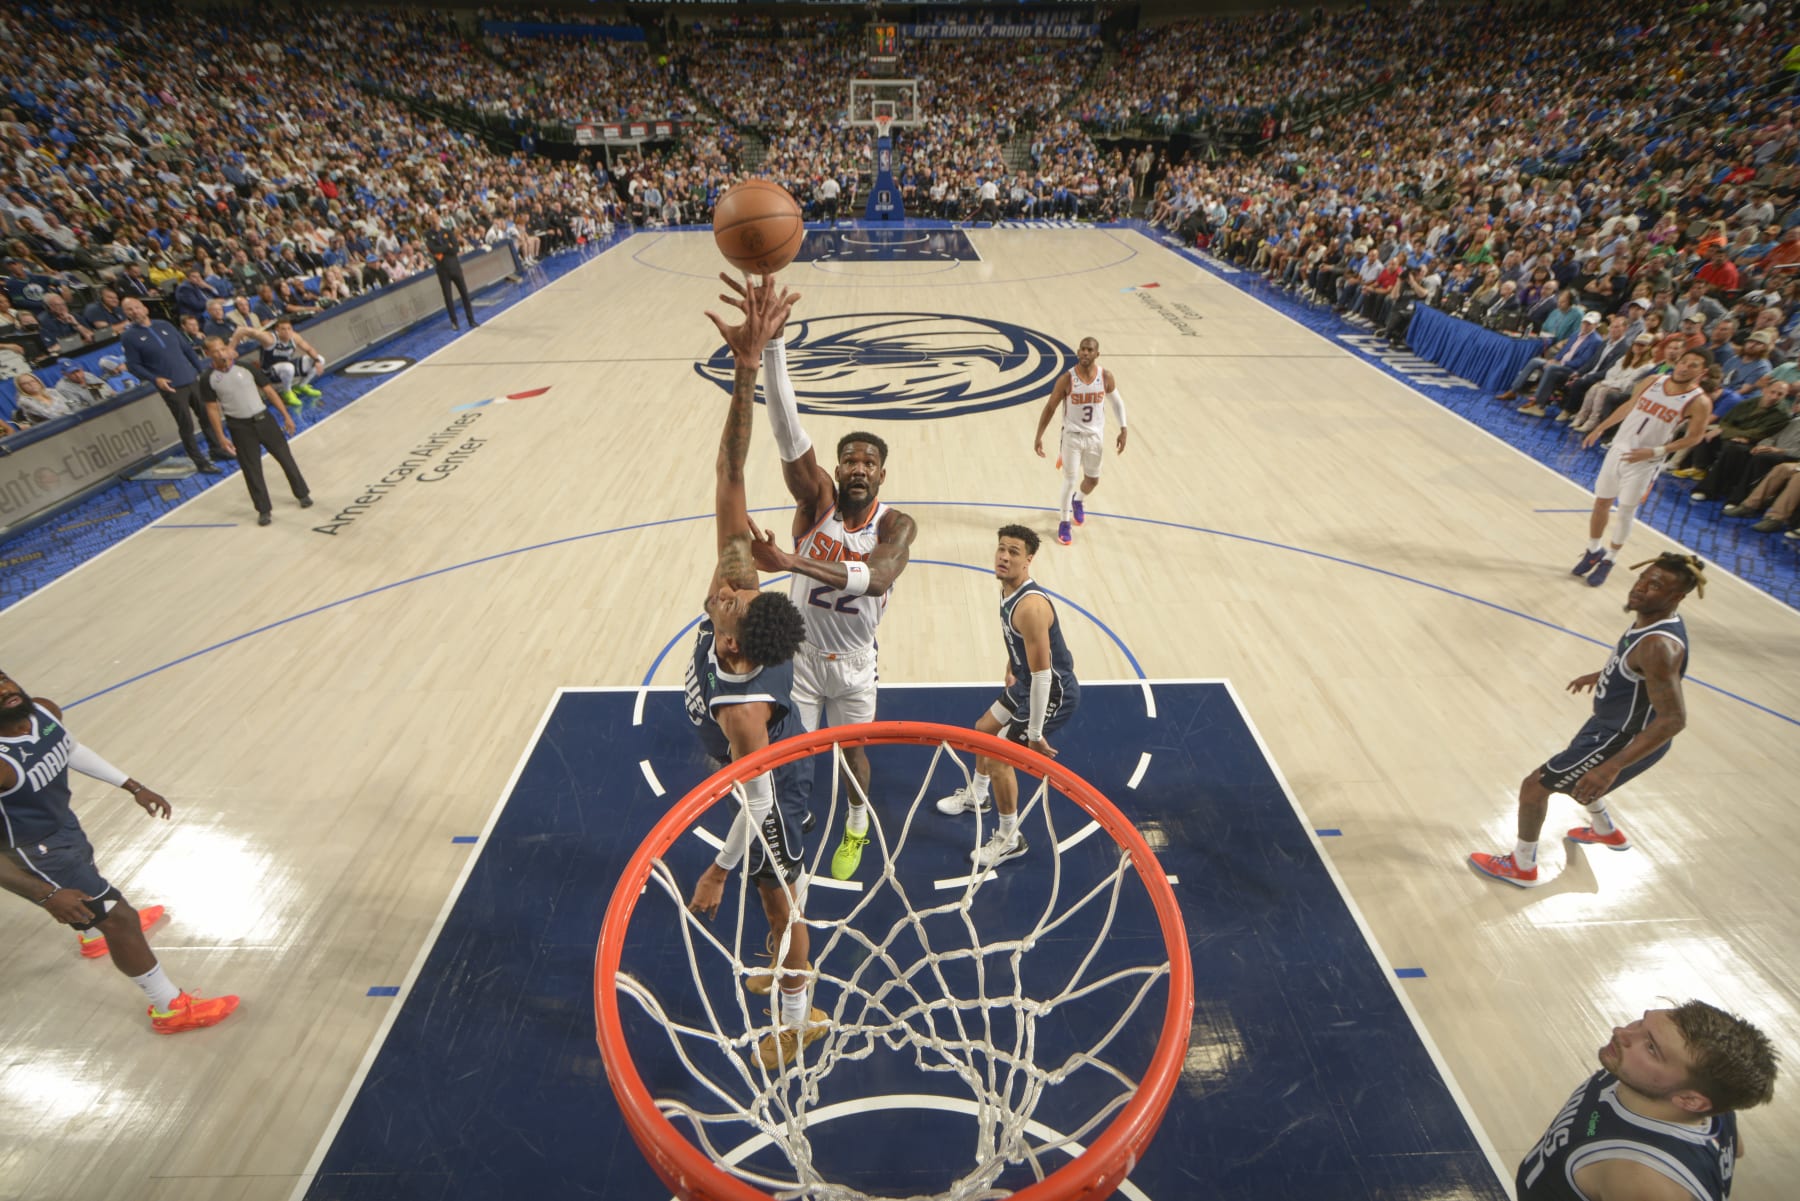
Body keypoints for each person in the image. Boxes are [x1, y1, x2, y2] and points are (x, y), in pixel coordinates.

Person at [722, 276, 918, 882]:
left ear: (883, 474)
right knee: (794, 757)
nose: (858, 467)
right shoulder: (817, 502)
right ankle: (792, 823)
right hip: (803, 656)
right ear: (838, 468)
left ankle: (857, 821)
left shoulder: (898, 525)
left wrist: (793, 564)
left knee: (853, 752)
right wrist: (774, 349)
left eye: (869, 462)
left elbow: (878, 579)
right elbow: (789, 434)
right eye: (849, 459)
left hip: (857, 661)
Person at [681, 276, 821, 1071]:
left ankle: (798, 1018)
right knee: (775, 898)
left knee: (783, 900)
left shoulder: (746, 714)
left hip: (772, 782)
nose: (728, 588)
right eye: (732, 590)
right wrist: (747, 368)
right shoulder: (738, 588)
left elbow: (754, 801)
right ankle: (788, 970)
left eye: (731, 601)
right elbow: (731, 468)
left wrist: (716, 870)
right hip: (756, 767)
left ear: (736, 649)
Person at [0, 668, 238, 1033]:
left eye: (1, 678)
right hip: (35, 851)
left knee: (93, 884)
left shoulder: (44, 711)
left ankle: (93, 934)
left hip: (62, 824)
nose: (4, 690)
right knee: (121, 919)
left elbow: (72, 749)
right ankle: (169, 1008)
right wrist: (46, 894)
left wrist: (132, 786)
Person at [1471, 553, 1703, 887]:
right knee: (1580, 776)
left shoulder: (1658, 645)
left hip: (1623, 738)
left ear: (1676, 597)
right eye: (1643, 578)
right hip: (1609, 727)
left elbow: (1673, 720)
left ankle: (1522, 867)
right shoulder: (1651, 619)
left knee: (1535, 786)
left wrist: (1612, 765)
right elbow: (1636, 668)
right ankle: (1605, 830)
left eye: (1655, 586)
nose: (1640, 588)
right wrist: (1604, 674)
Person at [1516, 1001, 1775, 1200]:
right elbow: (1735, 1148)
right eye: (1642, 1022)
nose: (1622, 1033)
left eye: (1651, 1048)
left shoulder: (1642, 1178)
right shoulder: (1708, 1104)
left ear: (1689, 1100)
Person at [935, 524, 1081, 869]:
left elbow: (1045, 673)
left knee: (1001, 758)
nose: (1003, 556)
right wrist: (1012, 665)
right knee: (982, 729)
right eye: (1001, 548)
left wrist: (1033, 734)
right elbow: (1023, 645)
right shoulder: (1007, 591)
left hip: (1051, 692)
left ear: (1029, 560)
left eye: (1014, 552)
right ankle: (979, 796)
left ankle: (1009, 838)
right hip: (1027, 681)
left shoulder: (1031, 605)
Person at [1571, 351, 1714, 587]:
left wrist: (1656, 451)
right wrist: (1600, 427)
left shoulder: (1699, 401)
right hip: (1619, 450)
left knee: (1626, 511)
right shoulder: (1652, 381)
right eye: (1683, 362)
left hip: (1646, 461)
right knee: (1601, 502)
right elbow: (1628, 407)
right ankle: (1593, 549)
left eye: (1694, 365)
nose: (1685, 368)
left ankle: (1611, 559)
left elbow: (1695, 438)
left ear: (1702, 372)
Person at [196, 336, 313, 526]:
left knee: (285, 458)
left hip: (264, 420)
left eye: (222, 348)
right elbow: (212, 409)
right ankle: (263, 509)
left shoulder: (246, 367)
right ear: (208, 354)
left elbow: (269, 391)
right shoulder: (208, 379)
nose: (220, 353)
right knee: (251, 469)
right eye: (215, 351)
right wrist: (221, 437)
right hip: (239, 427)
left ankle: (302, 494)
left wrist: (286, 416)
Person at [1034, 336, 1128, 546]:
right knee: (1069, 479)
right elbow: (1050, 407)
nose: (1085, 353)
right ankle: (1064, 523)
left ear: (1097, 354)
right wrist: (1039, 435)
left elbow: (1117, 403)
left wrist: (1123, 428)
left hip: (1095, 438)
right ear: (1078, 352)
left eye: (1089, 350)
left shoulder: (1105, 376)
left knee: (1092, 480)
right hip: (1072, 437)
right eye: (1082, 349)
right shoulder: (1067, 379)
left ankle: (1079, 500)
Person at [117, 297, 222, 474]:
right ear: (125, 314)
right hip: (171, 387)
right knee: (186, 425)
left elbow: (187, 349)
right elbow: (134, 365)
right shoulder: (129, 337)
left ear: (145, 308)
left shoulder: (164, 325)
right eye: (129, 310)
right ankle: (200, 462)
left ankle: (217, 450)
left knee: (206, 416)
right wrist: (155, 379)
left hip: (190, 379)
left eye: (136, 307)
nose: (134, 312)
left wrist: (200, 370)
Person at [425, 218, 478, 330]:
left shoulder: (448, 232)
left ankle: (471, 319)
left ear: (439, 220)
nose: (435, 223)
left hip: (455, 267)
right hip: (442, 271)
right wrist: (446, 247)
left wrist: (442, 250)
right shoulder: (428, 235)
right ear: (430, 222)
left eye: (436, 220)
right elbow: (433, 249)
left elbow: (456, 249)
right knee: (448, 297)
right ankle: (454, 322)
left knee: (464, 294)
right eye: (432, 221)